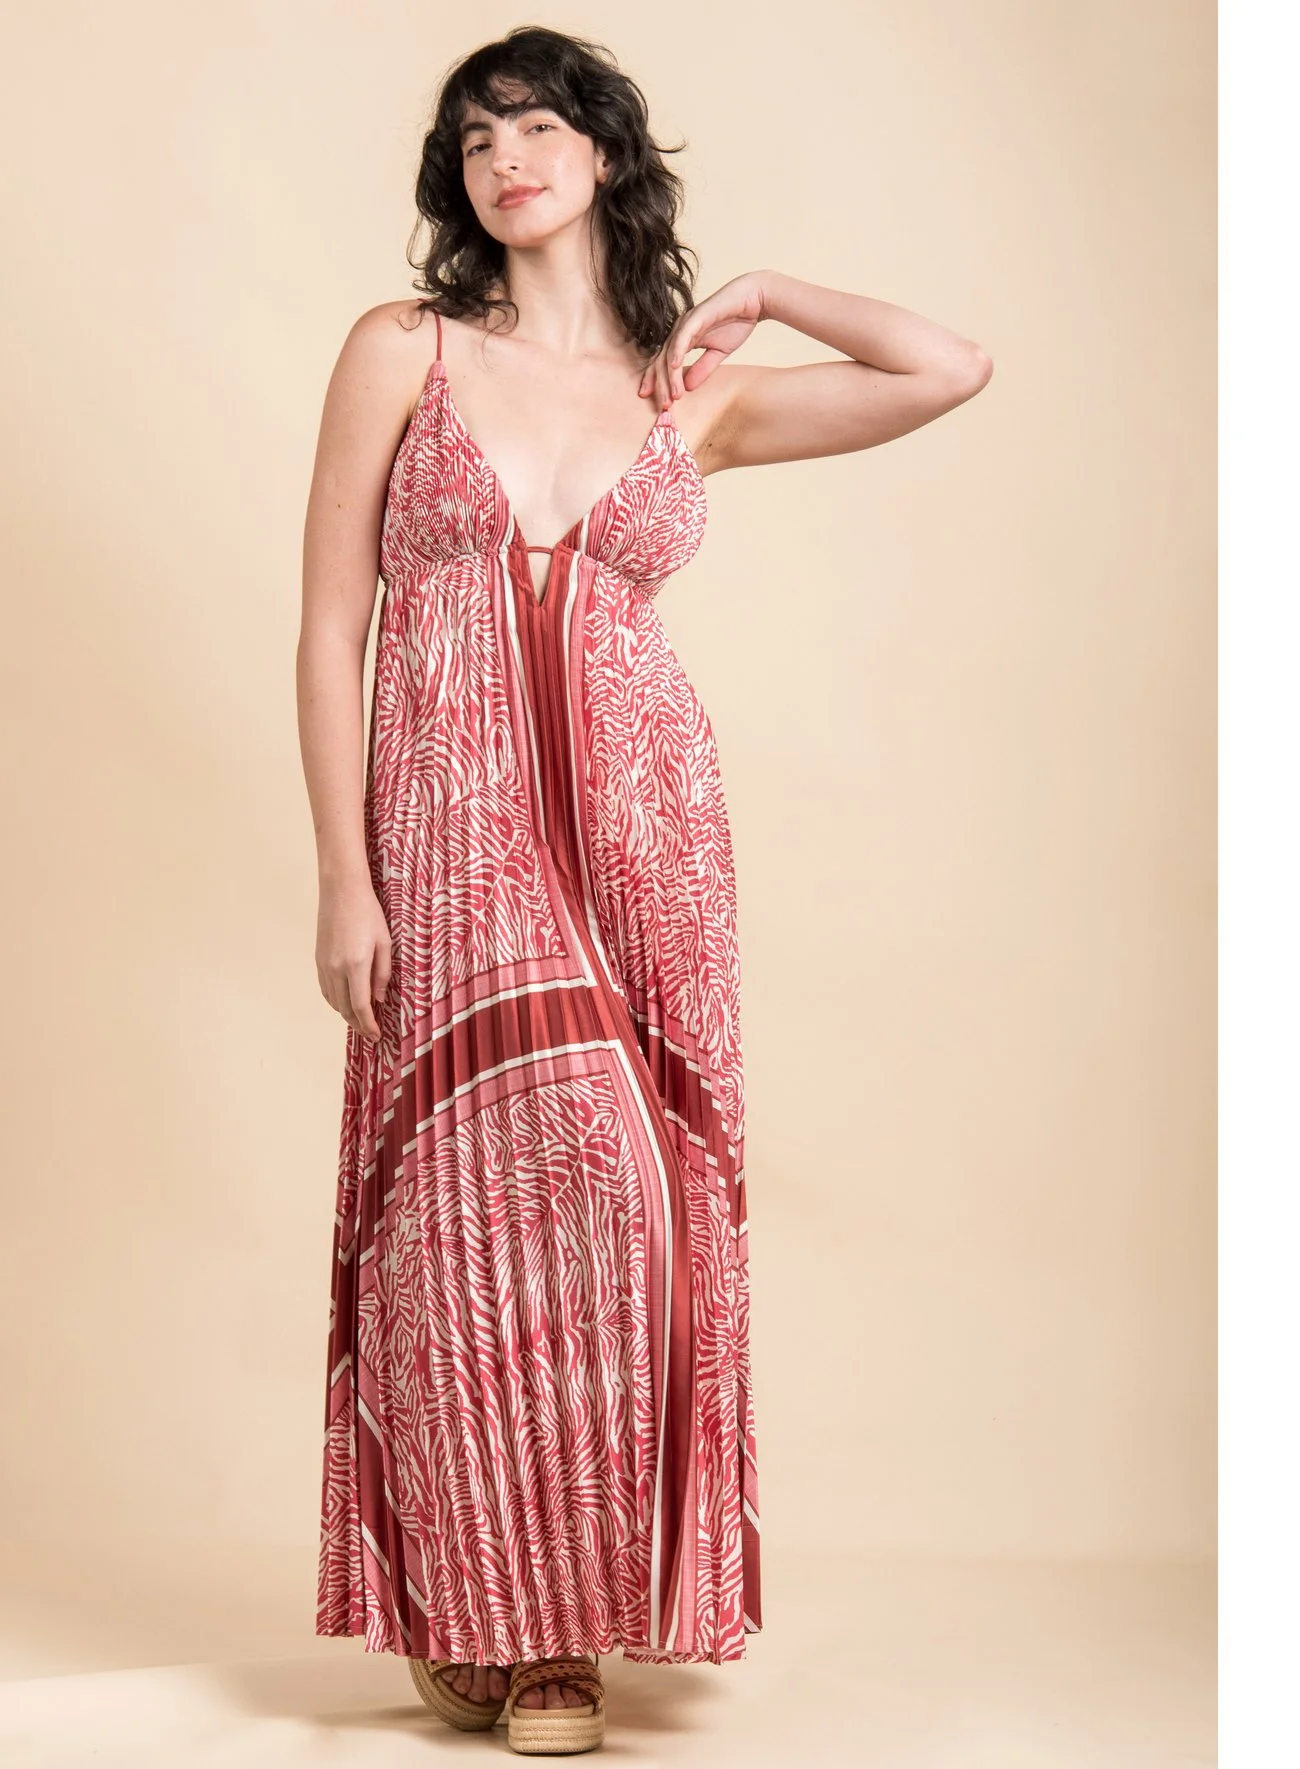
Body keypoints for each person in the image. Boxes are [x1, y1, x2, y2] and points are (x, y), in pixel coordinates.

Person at [293, 27, 989, 1751]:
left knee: (631, 1199)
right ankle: (469, 1595)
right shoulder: (404, 350)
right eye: (472, 141)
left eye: (537, 124)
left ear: (604, 154)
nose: (503, 156)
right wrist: (339, 876)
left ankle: (564, 1628)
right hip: (443, 824)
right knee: (452, 1215)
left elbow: (949, 366)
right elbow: (330, 626)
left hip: (644, 829)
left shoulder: (697, 398)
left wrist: (760, 285)